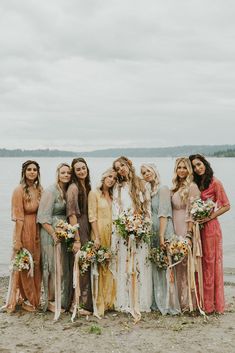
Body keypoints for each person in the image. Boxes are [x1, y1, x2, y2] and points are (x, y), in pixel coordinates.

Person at [111, 156, 152, 321]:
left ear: (128, 165)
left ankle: (141, 301)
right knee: (125, 265)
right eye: (117, 168)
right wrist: (123, 228)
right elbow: (116, 209)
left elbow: (147, 207)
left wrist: (143, 226)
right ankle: (125, 300)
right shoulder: (118, 187)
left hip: (140, 230)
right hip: (124, 232)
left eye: (122, 165)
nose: (120, 169)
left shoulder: (141, 184)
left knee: (140, 265)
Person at [189, 154, 230, 314]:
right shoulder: (195, 184)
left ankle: (212, 305)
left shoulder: (215, 182)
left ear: (205, 163)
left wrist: (208, 216)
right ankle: (201, 302)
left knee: (211, 264)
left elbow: (226, 205)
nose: (197, 168)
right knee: (201, 264)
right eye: (194, 166)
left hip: (211, 228)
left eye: (199, 164)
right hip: (198, 228)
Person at [141, 163, 180, 315]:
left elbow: (164, 213)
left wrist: (162, 236)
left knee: (166, 265)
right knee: (157, 265)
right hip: (153, 231)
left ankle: (169, 303)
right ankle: (157, 301)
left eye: (148, 171)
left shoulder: (163, 189)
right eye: (143, 172)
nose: (146, 174)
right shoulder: (148, 191)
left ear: (155, 171)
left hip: (163, 230)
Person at [4, 160, 42, 312]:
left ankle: (34, 298)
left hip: (38, 230)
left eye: (34, 170)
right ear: (24, 172)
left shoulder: (40, 189)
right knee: (26, 264)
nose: (32, 172)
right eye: (29, 170)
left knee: (37, 264)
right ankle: (27, 299)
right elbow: (19, 218)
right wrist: (17, 239)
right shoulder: (18, 190)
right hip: (25, 228)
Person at [37, 163, 73, 318]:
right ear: (58, 174)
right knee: (52, 266)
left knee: (62, 266)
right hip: (50, 231)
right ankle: (51, 299)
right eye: (63, 172)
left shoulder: (67, 190)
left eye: (68, 173)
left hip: (63, 232)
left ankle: (62, 298)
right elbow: (42, 217)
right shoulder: (50, 191)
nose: (66, 175)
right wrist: (53, 233)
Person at [171, 157, 201, 312]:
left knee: (186, 265)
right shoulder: (176, 187)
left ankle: (190, 303)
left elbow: (192, 213)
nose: (181, 170)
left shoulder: (192, 187)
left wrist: (189, 234)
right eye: (179, 167)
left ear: (189, 170)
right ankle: (179, 301)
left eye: (184, 168)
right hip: (174, 227)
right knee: (178, 266)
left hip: (185, 226)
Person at [88, 168, 117, 317]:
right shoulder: (94, 193)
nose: (111, 179)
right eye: (109, 176)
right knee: (100, 266)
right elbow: (92, 216)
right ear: (104, 176)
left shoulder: (112, 195)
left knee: (110, 264)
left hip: (112, 232)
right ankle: (99, 302)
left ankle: (110, 300)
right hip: (100, 231)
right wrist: (97, 237)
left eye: (114, 178)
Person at [66, 157, 93, 316]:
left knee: (85, 265)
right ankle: (77, 304)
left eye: (84, 168)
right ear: (74, 172)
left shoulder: (86, 186)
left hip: (87, 228)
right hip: (79, 230)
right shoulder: (74, 188)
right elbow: (72, 215)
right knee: (80, 266)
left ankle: (85, 301)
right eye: (78, 169)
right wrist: (76, 239)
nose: (82, 171)